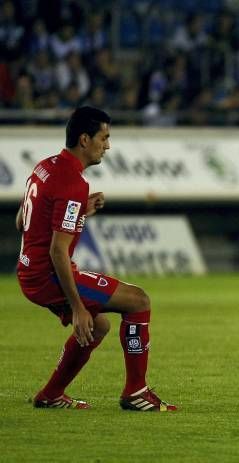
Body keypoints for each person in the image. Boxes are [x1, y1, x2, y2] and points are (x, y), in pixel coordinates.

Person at [16, 106, 176, 411]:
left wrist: (78, 211)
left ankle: (50, 395)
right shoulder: (73, 183)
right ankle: (136, 392)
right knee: (138, 301)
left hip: (29, 272)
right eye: (104, 137)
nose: (108, 145)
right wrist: (77, 308)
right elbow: (57, 251)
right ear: (85, 139)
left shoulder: (44, 168)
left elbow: (22, 220)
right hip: (47, 275)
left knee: (98, 325)